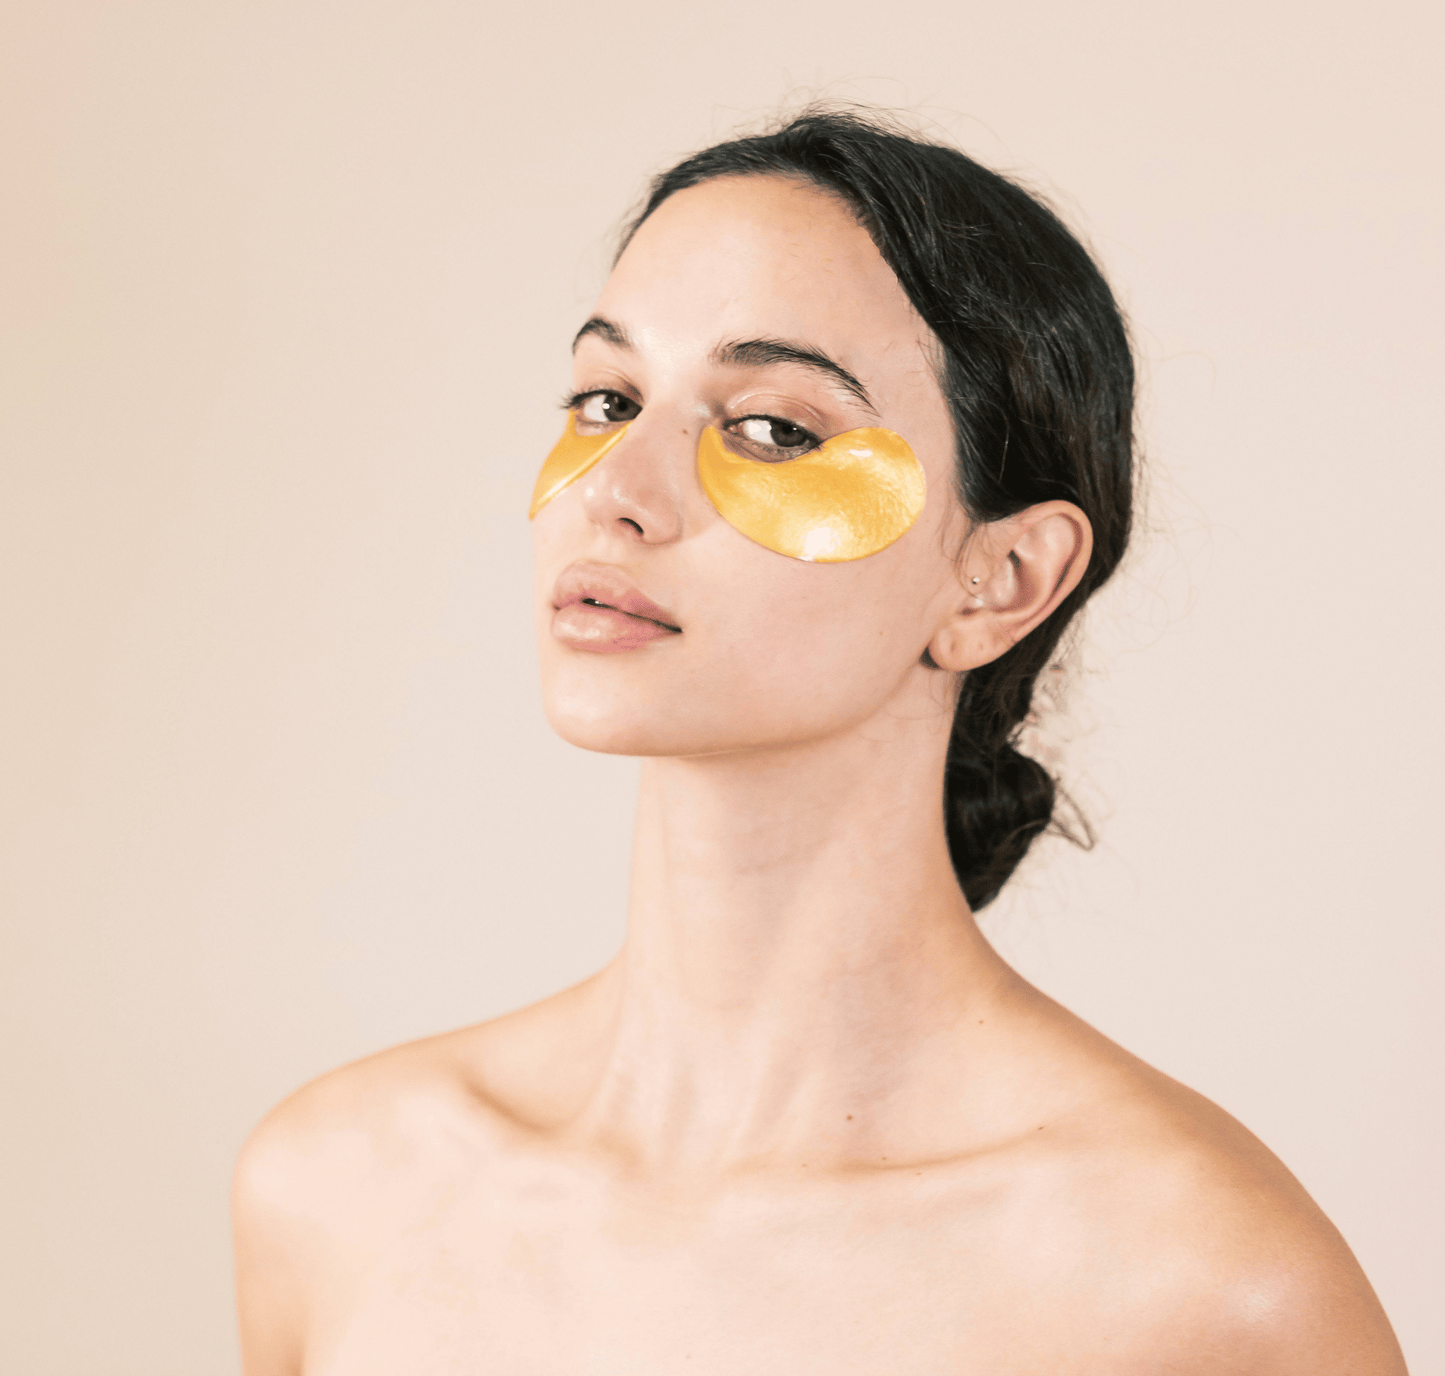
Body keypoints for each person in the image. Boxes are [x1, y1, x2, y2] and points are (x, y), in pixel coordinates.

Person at [232, 108, 1406, 1374]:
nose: (614, 489)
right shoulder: (339, 1189)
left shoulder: (1193, 1281)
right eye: (606, 398)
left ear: (1002, 577)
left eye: (771, 428)